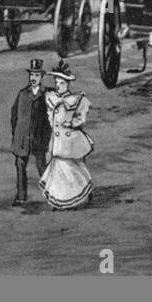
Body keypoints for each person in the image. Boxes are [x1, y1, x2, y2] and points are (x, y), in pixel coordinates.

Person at [39, 61, 94, 210]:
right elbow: (51, 119)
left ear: (67, 84)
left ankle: (81, 193)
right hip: (57, 139)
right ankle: (60, 200)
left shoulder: (75, 100)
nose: (58, 86)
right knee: (59, 169)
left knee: (73, 167)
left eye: (61, 83)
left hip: (69, 140)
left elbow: (81, 118)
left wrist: (73, 123)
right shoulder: (52, 99)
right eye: (57, 83)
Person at [10, 57, 52, 205]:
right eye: (32, 75)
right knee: (20, 165)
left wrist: (46, 137)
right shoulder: (22, 93)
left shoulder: (45, 94)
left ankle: (52, 194)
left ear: (41, 77)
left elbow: (49, 120)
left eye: (37, 75)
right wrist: (17, 133)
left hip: (38, 137)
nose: (33, 78)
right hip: (22, 138)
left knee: (42, 166)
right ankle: (21, 197)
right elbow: (14, 113)